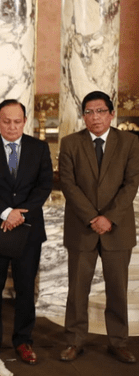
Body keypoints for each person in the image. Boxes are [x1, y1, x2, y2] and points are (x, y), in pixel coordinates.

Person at [59, 91, 139, 364]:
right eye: (89, 112)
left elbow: (131, 184)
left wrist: (109, 218)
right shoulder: (70, 143)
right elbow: (68, 184)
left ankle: (118, 342)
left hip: (117, 229)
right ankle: (74, 341)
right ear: (83, 116)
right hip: (82, 227)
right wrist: (93, 217)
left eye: (101, 111)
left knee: (117, 289)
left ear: (111, 114)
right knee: (77, 290)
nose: (95, 117)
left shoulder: (129, 142)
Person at [0, 99, 53, 365]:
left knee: (26, 288)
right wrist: (6, 213)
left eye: (17, 121)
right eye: (6, 121)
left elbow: (44, 187)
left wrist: (20, 214)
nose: (12, 126)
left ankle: (23, 340)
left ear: (25, 121)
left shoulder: (39, 148)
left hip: (29, 230)